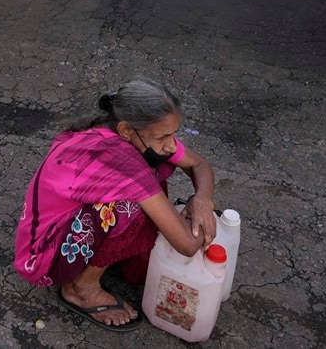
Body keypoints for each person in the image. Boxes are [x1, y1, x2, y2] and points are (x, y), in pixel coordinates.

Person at [14, 78, 217, 331]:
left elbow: (199, 165)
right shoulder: (117, 157)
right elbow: (187, 245)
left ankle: (98, 263)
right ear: (125, 130)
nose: (169, 144)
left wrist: (202, 199)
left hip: (67, 227)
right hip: (46, 253)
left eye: (173, 134)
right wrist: (198, 222)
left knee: (148, 194)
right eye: (163, 137)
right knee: (132, 206)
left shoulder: (133, 132)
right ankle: (80, 289)